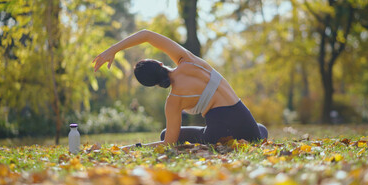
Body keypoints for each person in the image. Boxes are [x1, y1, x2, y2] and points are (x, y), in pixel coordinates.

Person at [93, 30, 268, 149]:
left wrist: (129, 148)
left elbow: (167, 144)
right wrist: (112, 49)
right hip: (246, 123)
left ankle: (234, 138)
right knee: (260, 130)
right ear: (160, 63)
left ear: (154, 85)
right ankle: (253, 135)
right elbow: (146, 34)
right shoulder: (188, 59)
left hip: (219, 135)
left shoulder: (173, 101)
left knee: (165, 135)